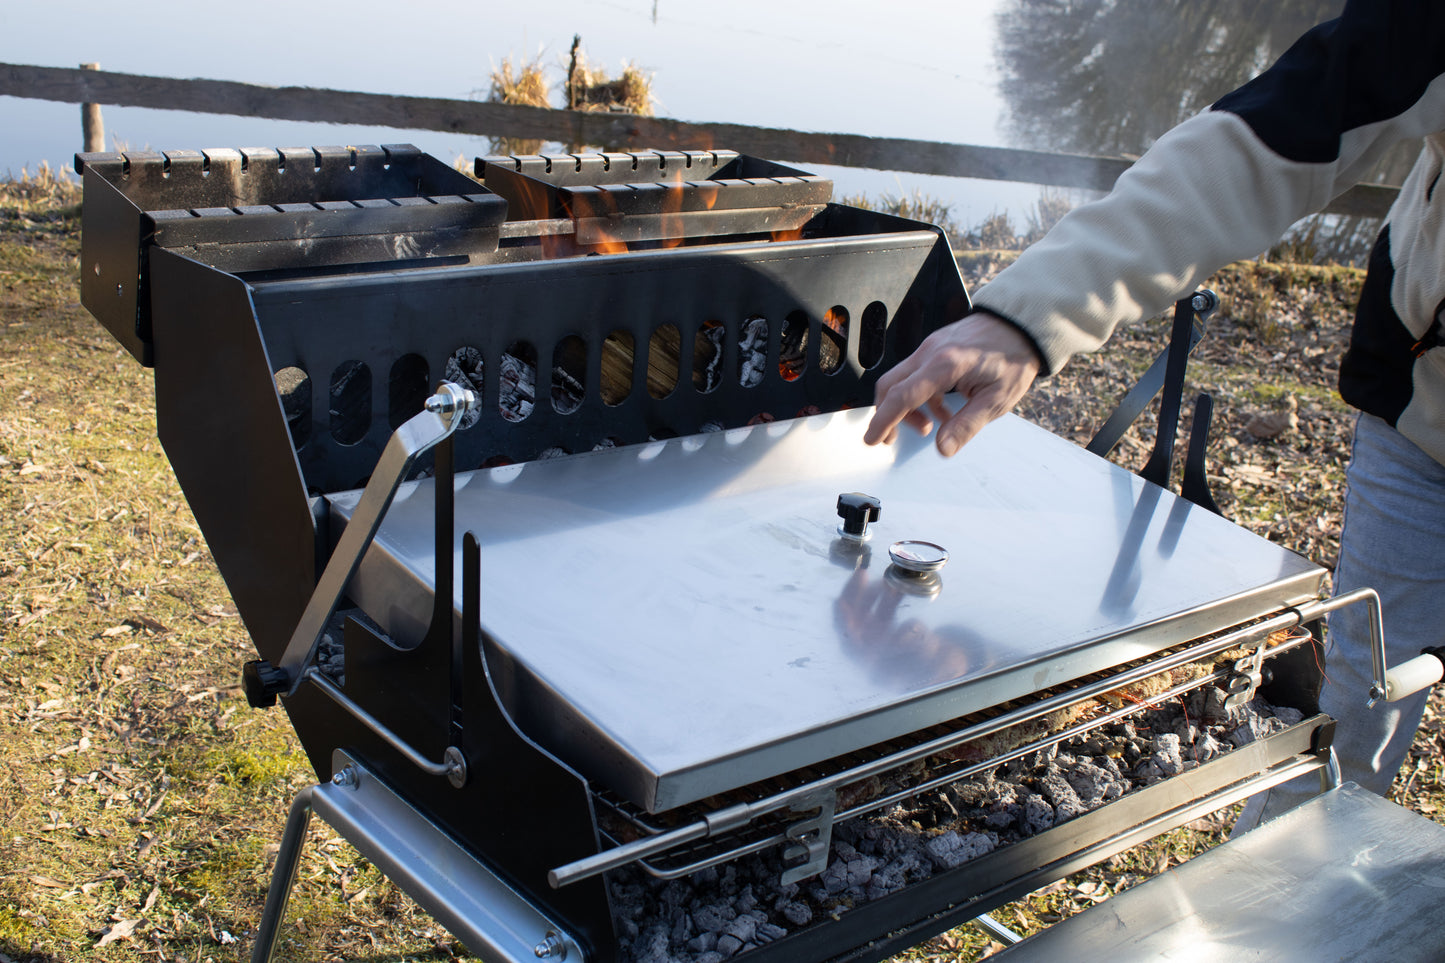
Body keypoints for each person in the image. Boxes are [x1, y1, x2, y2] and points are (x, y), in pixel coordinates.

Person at [865, 0, 1445, 825]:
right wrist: (1027, 317)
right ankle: (1281, 923)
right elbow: (1262, 143)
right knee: (1364, 687)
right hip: (1422, 411)